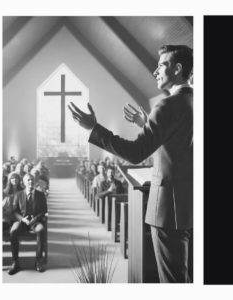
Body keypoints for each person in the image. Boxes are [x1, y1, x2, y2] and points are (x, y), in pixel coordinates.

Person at [68, 44, 193, 283]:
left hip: (168, 209)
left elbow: (135, 153)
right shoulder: (194, 101)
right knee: (185, 276)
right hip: (190, 205)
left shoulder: (167, 105)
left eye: (161, 65)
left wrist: (94, 129)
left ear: (177, 69)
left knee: (173, 281)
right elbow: (181, 142)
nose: (155, 71)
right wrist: (146, 122)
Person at [8, 174, 47, 275]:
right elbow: (14, 211)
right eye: (28, 180)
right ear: (24, 183)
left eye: (32, 180)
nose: (31, 182)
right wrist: (22, 219)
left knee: (41, 230)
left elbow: (44, 210)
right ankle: (15, 263)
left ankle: (38, 262)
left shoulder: (40, 194)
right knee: (13, 231)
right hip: (22, 221)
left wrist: (35, 219)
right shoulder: (19, 194)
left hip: (35, 221)